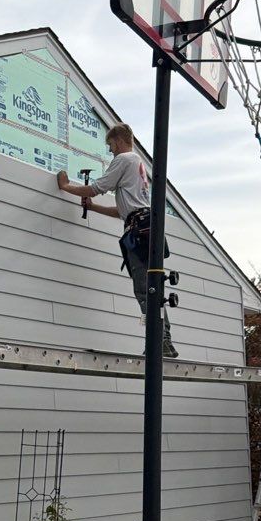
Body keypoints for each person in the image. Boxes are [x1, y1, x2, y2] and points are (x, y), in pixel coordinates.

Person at [56, 123, 178, 358]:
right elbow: (124, 211)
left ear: (119, 141)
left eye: (110, 145)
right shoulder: (137, 164)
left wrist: (65, 186)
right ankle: (164, 341)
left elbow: (97, 187)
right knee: (151, 290)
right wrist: (93, 208)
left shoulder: (123, 159)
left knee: (145, 291)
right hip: (146, 227)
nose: (110, 150)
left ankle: (159, 341)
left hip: (140, 230)